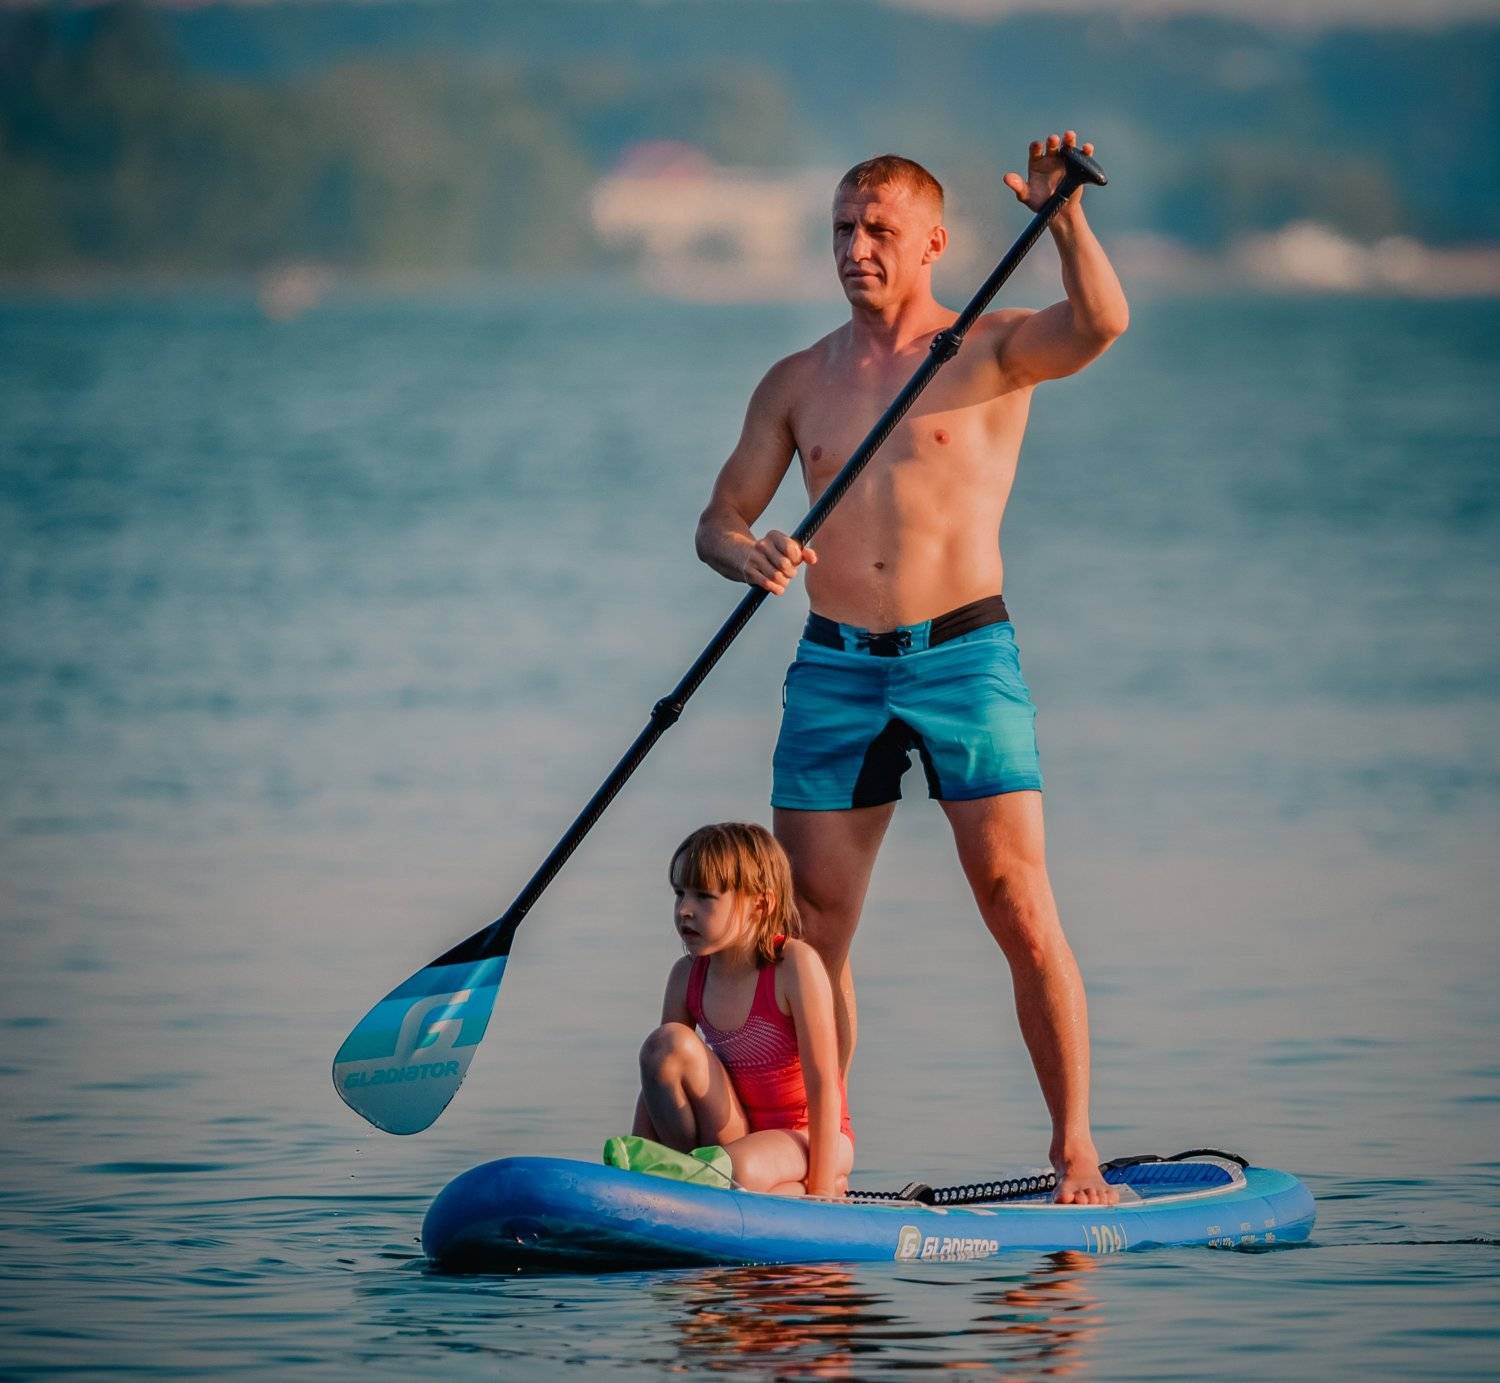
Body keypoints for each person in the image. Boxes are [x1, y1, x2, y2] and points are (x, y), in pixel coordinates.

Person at [694, 132, 1128, 1204]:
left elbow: (1101, 324)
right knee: (809, 933)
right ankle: (822, 1155)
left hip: (964, 657)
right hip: (835, 668)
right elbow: (719, 518)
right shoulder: (797, 380)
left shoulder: (991, 347)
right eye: (843, 229)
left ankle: (1075, 1148)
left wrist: (1066, 218)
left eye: (879, 230)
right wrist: (746, 553)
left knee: (1017, 903)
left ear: (933, 242)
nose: (856, 248)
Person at [632, 822, 855, 1197]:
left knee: (741, 1170)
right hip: (732, 1135)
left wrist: (821, 1193)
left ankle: (815, 1185)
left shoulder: (794, 966)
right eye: (679, 893)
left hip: (807, 1134)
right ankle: (692, 1178)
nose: (684, 910)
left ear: (760, 905)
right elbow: (656, 1082)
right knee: (665, 1044)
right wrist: (634, 1165)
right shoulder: (686, 975)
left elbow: (824, 1087)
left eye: (704, 897)